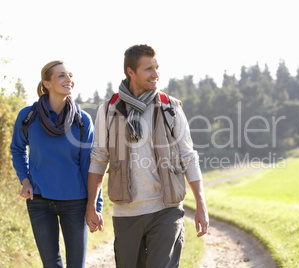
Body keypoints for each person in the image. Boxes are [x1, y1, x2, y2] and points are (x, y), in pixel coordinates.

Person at [86, 44, 209, 267]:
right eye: (148, 69)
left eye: (157, 67)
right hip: (126, 213)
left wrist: (201, 204)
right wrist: (91, 206)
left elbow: (188, 156)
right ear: (130, 72)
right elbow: (99, 158)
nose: (156, 74)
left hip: (166, 210)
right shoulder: (108, 110)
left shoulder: (170, 107)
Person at [10, 60, 103, 268]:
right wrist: (25, 180)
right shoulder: (28, 117)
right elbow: (17, 149)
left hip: (75, 203)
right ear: (47, 83)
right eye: (61, 75)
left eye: (70, 75)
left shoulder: (82, 120)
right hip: (40, 202)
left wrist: (94, 206)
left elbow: (92, 165)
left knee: (76, 265)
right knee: (51, 264)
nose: (68, 79)